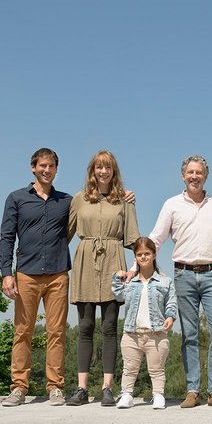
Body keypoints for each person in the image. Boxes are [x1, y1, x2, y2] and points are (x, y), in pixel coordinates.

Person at [129, 155, 212, 409]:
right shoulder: (172, 205)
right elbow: (155, 239)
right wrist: (135, 266)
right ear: (183, 176)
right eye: (190, 172)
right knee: (190, 334)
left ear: (206, 176)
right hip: (183, 275)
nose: (195, 176)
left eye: (199, 172)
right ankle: (193, 390)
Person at [66, 150, 140, 406]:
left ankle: (108, 387)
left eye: (108, 168)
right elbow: (64, 234)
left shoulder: (124, 201)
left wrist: (138, 269)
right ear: (92, 170)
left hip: (113, 263)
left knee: (110, 328)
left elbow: (133, 239)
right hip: (86, 261)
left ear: (114, 171)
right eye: (99, 167)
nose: (103, 172)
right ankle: (82, 388)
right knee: (85, 327)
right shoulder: (79, 199)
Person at [1, 148, 71, 407]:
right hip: (26, 275)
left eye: (51, 166)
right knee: (22, 332)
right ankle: (19, 387)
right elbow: (6, 237)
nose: (46, 170)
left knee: (57, 332)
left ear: (56, 169)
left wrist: (125, 195)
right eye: (42, 165)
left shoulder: (66, 201)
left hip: (57, 275)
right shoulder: (16, 198)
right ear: (33, 167)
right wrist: (6, 274)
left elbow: (91, 206)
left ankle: (55, 387)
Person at [112, 237, 177, 409]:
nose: (143, 257)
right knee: (129, 368)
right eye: (139, 254)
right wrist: (117, 278)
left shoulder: (165, 281)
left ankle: (158, 395)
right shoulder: (130, 281)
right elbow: (119, 296)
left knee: (156, 369)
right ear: (135, 258)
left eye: (147, 254)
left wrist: (170, 317)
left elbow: (171, 302)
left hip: (156, 334)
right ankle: (126, 394)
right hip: (132, 334)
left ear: (154, 255)